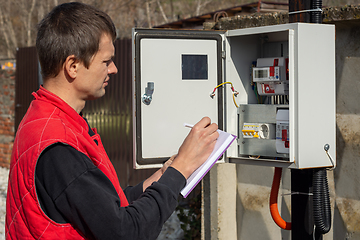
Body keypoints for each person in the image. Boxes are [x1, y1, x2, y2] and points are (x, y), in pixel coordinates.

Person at [5, 2, 218, 240]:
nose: (114, 69)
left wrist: (163, 176)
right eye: (106, 62)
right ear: (73, 66)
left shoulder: (44, 118)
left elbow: (101, 206)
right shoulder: (58, 146)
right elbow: (125, 232)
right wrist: (182, 168)